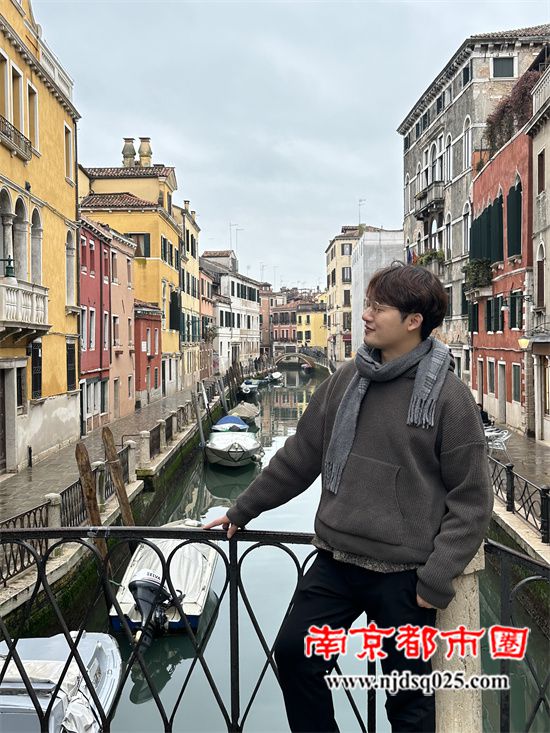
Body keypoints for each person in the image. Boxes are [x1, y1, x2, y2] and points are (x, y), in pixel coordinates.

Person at [204, 263, 493, 733]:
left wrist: (436, 577)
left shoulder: (450, 399)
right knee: (294, 655)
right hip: (336, 561)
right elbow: (300, 455)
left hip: (405, 577)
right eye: (367, 304)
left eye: (379, 307)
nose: (366, 315)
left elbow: (472, 500)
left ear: (413, 320)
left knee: (409, 702)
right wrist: (243, 509)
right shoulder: (345, 379)